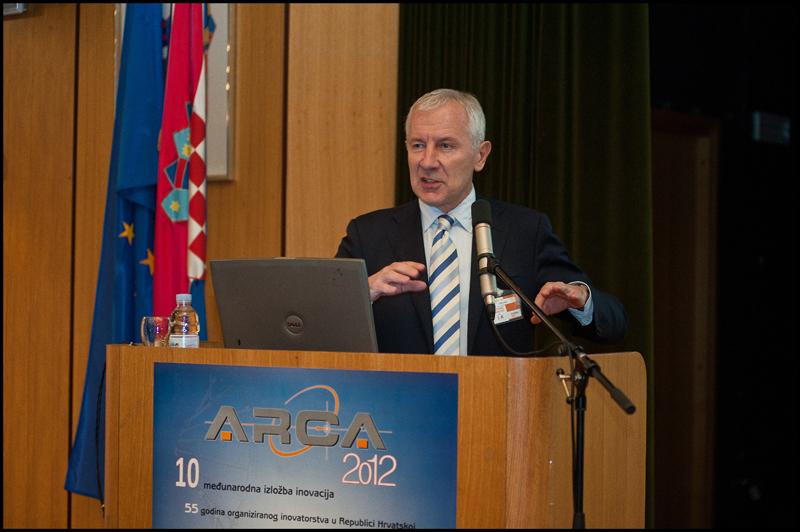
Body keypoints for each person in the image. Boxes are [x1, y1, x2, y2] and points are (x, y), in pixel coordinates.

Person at [336, 88, 627, 355]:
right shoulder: (367, 235)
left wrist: (581, 299)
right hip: (399, 395)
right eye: (418, 145)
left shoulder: (525, 231)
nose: (427, 161)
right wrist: (364, 293)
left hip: (495, 394)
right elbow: (318, 328)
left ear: (480, 155)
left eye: (445, 146)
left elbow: (614, 324)